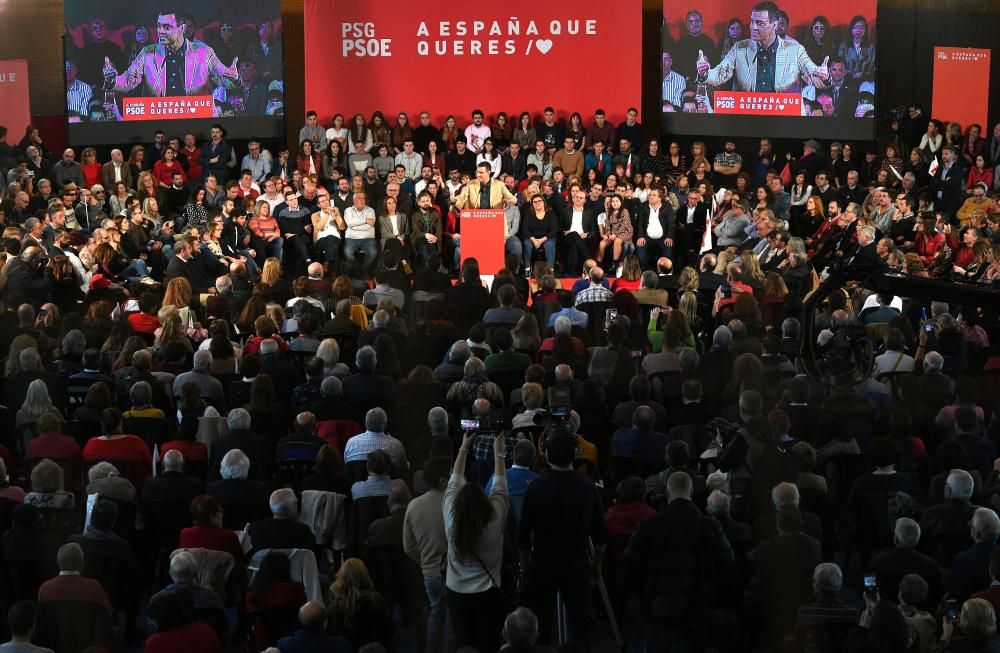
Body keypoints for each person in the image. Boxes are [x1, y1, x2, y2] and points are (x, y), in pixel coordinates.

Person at [519, 433, 607, 647]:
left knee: (543, 626)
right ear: (575, 455)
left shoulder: (535, 487)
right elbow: (600, 535)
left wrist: (525, 567)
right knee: (580, 625)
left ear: (547, 456)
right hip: (577, 564)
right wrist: (596, 566)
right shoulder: (588, 487)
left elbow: (523, 533)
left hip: (543, 563)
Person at [444, 429, 508, 652]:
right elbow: (499, 483)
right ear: (485, 503)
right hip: (488, 594)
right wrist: (498, 451)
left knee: (463, 642)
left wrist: (464, 445)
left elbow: (454, 480)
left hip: (456, 592)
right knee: (489, 642)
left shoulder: (451, 516)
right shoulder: (495, 518)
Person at [103, 9, 239, 101]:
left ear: (181, 28)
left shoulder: (204, 52)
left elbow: (223, 80)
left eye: (167, 27)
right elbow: (128, 80)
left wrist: (235, 78)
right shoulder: (147, 53)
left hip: (195, 119)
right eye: (158, 26)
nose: (160, 31)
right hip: (158, 121)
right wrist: (112, 81)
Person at [696, 1, 830, 94]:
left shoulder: (795, 50)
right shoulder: (740, 48)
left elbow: (813, 77)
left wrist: (824, 77)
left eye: (760, 23)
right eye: (752, 21)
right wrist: (705, 74)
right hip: (748, 118)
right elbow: (720, 74)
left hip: (785, 119)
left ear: (775, 25)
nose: (753, 27)